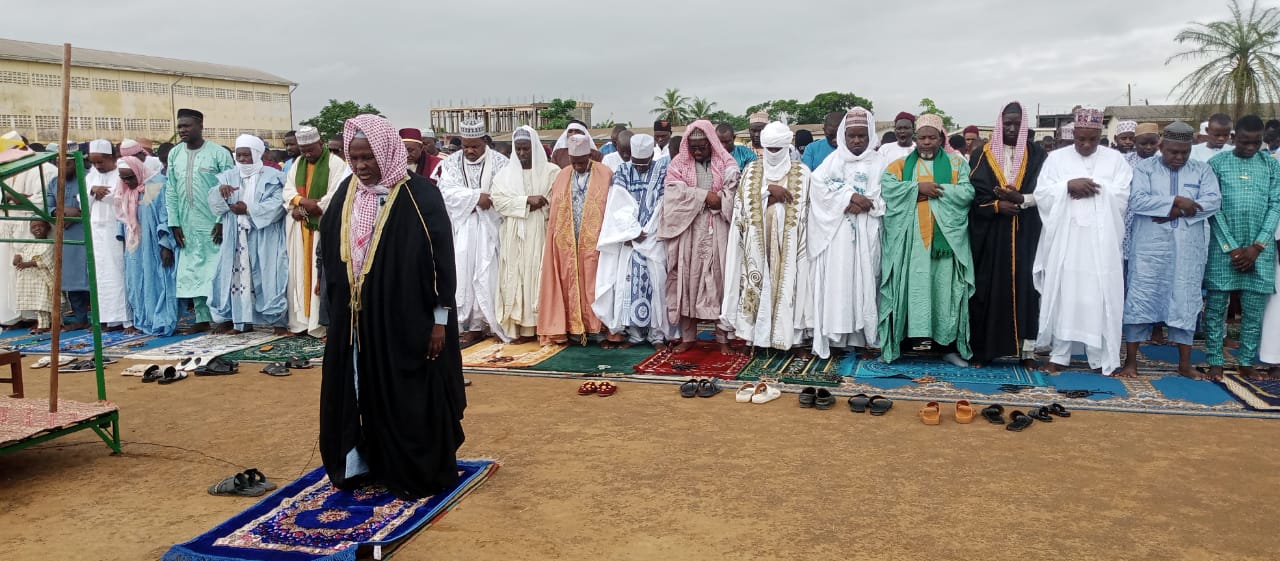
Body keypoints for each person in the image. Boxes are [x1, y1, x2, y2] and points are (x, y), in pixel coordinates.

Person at [318, 113, 465, 501]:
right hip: (356, 321)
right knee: (358, 389)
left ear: (385, 152)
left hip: (406, 320)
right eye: (354, 158)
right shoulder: (347, 192)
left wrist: (439, 320)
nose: (361, 166)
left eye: (368, 157)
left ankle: (413, 470)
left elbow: (442, 262)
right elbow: (329, 251)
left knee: (406, 394)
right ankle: (365, 464)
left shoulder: (420, 195)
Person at [1033, 107, 1132, 375]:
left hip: (1101, 242)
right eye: (1081, 139)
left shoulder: (1115, 159)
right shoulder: (1056, 158)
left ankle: (1099, 357)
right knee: (1065, 295)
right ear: (1073, 134)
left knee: (1099, 296)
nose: (1086, 145)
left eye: (1092, 139)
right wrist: (1067, 186)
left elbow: (1122, 195)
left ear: (1101, 136)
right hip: (1067, 240)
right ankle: (1059, 355)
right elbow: (1042, 194)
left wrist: (1094, 187)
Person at [1118, 122, 1221, 379]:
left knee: (1184, 299)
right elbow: (1137, 200)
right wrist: (1176, 201)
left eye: (1185, 152)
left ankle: (1184, 365)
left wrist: (1177, 212)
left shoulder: (1202, 169)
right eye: (1173, 152)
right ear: (1162, 147)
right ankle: (1131, 362)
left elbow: (1213, 202)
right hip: (1150, 248)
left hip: (1187, 248)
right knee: (1141, 296)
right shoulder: (1145, 169)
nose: (1179, 157)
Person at [879, 114, 975, 366]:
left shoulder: (956, 164)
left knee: (945, 293)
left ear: (941, 138)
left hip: (945, 243)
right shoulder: (900, 165)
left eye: (932, 137)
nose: (926, 142)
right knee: (910, 290)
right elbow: (888, 188)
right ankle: (905, 344)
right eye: (922, 138)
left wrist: (936, 191)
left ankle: (946, 347)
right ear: (915, 138)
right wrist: (917, 189)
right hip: (910, 243)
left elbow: (967, 192)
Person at [967, 101, 1048, 369]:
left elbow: (1046, 191)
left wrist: (1021, 199)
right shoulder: (982, 154)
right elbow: (972, 194)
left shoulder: (1037, 154)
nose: (1012, 128)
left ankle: (1027, 352)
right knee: (986, 289)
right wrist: (996, 205)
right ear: (999, 125)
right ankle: (983, 350)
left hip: (1026, 232)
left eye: (1017, 124)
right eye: (1007, 123)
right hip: (991, 235)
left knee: (1028, 289)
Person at [721, 121, 812, 354]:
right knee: (755, 286)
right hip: (757, 244)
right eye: (769, 149)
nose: (773, 154)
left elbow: (808, 208)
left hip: (790, 244)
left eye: (777, 149)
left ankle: (794, 340)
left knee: (791, 286)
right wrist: (769, 193)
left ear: (787, 146)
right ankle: (753, 338)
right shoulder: (752, 171)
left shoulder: (802, 173)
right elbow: (742, 205)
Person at [1204, 115, 1280, 380]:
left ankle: (1246, 361)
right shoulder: (1217, 164)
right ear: (1234, 138)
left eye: (1256, 143)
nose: (1250, 147)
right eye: (1245, 142)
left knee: (1253, 310)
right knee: (1216, 308)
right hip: (1223, 248)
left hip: (1260, 250)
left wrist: (1257, 247)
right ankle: (1215, 360)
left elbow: (1276, 205)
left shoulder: (1271, 165)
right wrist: (1232, 248)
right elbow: (1213, 207)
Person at [807, 108, 884, 359]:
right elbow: (818, 185)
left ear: (870, 136)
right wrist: (849, 197)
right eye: (852, 136)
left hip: (868, 230)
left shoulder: (880, 161)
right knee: (840, 283)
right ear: (844, 136)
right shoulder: (834, 160)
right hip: (839, 234)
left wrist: (866, 202)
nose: (857, 141)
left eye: (862, 136)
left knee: (867, 281)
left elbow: (886, 192)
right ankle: (838, 338)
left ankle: (864, 339)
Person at [659, 120, 741, 354]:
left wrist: (719, 200)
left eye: (702, 147)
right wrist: (703, 195)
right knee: (688, 282)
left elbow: (733, 192)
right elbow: (673, 194)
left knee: (719, 281)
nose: (696, 151)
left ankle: (722, 339)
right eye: (693, 147)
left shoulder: (726, 163)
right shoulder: (678, 164)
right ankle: (688, 337)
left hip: (719, 228)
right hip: (690, 230)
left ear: (711, 143)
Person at [594, 134, 673, 351]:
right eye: (636, 163)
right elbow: (618, 204)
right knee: (629, 284)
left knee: (656, 285)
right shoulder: (623, 171)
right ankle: (636, 335)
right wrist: (631, 232)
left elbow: (663, 204)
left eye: (643, 163)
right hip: (629, 240)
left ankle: (657, 336)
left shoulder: (662, 171)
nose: (639, 167)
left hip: (653, 239)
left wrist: (647, 231)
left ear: (650, 157)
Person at [207, 135, 289, 335]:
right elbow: (215, 205)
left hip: (265, 236)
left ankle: (278, 322)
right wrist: (220, 192)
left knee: (270, 276)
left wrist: (249, 209)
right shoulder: (228, 176)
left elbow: (278, 204)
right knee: (238, 278)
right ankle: (241, 323)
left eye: (247, 155)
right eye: (239, 155)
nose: (243, 159)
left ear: (257, 154)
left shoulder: (273, 176)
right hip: (236, 236)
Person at [437, 118, 509, 343]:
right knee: (463, 274)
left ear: (484, 141)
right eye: (465, 146)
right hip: (463, 229)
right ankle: (468, 324)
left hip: (491, 229)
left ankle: (488, 322)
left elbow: (506, 191)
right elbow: (446, 192)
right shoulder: (451, 163)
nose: (469, 151)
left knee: (488, 273)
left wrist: (487, 199)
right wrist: (477, 197)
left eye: (475, 146)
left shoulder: (501, 163)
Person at [537, 134, 613, 345]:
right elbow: (555, 211)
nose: (578, 166)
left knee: (595, 283)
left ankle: (597, 328)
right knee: (568, 281)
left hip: (595, 241)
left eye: (581, 162)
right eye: (574, 162)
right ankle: (572, 328)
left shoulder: (605, 174)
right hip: (567, 241)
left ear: (589, 156)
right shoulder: (562, 176)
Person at [166, 108, 235, 333]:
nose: (182, 130)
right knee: (192, 270)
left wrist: (221, 220)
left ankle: (224, 317)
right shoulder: (175, 154)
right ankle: (202, 317)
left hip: (213, 223)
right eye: (180, 126)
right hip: (186, 224)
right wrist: (174, 222)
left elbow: (230, 188)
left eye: (187, 125)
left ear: (200, 126)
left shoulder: (218, 153)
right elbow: (171, 190)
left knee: (218, 269)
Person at [491, 126, 559, 343]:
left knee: (538, 276)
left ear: (535, 148)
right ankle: (521, 328)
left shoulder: (551, 172)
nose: (522, 153)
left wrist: (541, 203)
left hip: (541, 231)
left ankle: (543, 326)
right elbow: (498, 202)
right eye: (518, 149)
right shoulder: (504, 176)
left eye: (526, 149)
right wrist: (526, 201)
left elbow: (556, 200)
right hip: (514, 234)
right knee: (516, 277)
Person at [284, 126, 348, 337]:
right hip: (300, 229)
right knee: (299, 273)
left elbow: (334, 195)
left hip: (323, 227)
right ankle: (302, 322)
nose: (307, 154)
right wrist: (301, 202)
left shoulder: (335, 164)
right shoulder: (297, 164)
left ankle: (320, 324)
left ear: (321, 144)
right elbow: (288, 190)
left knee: (321, 275)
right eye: (303, 150)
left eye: (311, 149)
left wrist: (309, 207)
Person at [115, 155, 178, 336]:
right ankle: (143, 320)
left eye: (130, 177)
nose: (127, 182)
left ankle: (162, 321)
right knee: (136, 282)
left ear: (138, 171)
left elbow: (165, 215)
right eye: (123, 178)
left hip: (155, 245)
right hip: (135, 247)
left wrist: (165, 245)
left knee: (158, 280)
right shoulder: (126, 191)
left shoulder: (157, 185)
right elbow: (123, 219)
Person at [0, 132, 56, 327]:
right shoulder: (7, 168)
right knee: (10, 271)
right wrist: (10, 198)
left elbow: (45, 199)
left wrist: (19, 199)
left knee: (34, 273)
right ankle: (13, 316)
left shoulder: (45, 168)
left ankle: (36, 317)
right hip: (8, 227)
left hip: (32, 226)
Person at [85, 139, 131, 331]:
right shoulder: (91, 175)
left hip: (116, 230)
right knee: (101, 276)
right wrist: (92, 191)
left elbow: (128, 198)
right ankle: (106, 319)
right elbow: (82, 200)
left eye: (100, 161)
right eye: (94, 162)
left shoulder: (122, 172)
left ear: (112, 157)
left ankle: (126, 319)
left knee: (119, 273)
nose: (97, 166)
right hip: (96, 232)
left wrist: (107, 195)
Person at [46, 147, 91, 330]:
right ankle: (80, 319)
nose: (63, 168)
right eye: (59, 164)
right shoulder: (54, 182)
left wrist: (79, 212)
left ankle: (102, 319)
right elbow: (48, 206)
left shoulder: (90, 178)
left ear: (77, 162)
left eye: (68, 164)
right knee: (71, 281)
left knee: (91, 278)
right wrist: (61, 212)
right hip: (66, 238)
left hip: (87, 234)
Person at [12, 220, 53, 333]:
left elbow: (46, 260)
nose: (37, 229)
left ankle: (49, 324)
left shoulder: (50, 243)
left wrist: (28, 264)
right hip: (32, 279)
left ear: (48, 228)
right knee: (38, 304)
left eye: (40, 226)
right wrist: (17, 257)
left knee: (44, 302)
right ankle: (44, 323)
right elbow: (23, 253)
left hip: (44, 278)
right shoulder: (30, 243)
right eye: (34, 227)